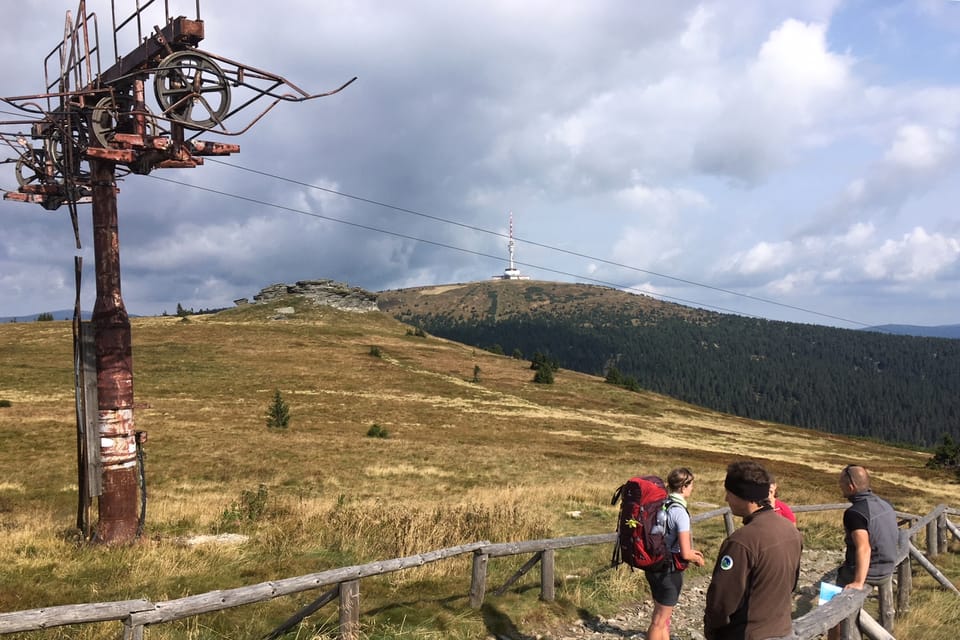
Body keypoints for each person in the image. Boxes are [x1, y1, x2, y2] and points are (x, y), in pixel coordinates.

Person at [704, 461, 803, 640]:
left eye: (729, 493)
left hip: (749, 633)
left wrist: (712, 631)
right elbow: (792, 583)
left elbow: (722, 601)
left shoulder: (741, 542)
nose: (726, 499)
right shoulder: (791, 530)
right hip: (782, 628)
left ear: (743, 496)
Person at [828, 464, 899, 639]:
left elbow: (863, 547)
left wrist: (858, 582)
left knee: (830, 598)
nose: (840, 487)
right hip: (888, 568)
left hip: (871, 572)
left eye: (841, 484)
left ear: (851, 487)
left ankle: (833, 633)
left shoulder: (855, 513)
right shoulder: (884, 503)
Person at [644, 467, 706, 640]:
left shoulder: (661, 504)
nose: (692, 488)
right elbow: (685, 554)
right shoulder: (680, 512)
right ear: (684, 486)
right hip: (669, 570)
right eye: (691, 485)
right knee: (659, 620)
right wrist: (697, 559)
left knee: (662, 616)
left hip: (654, 564)